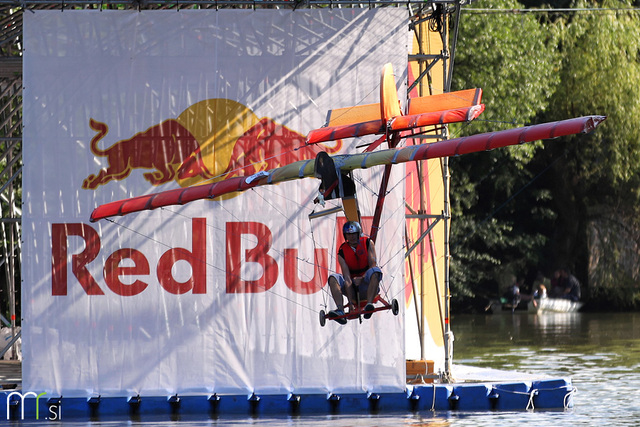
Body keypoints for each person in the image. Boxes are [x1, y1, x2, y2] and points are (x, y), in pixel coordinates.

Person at [327, 221, 382, 324]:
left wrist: (362, 278)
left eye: (353, 234)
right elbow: (347, 278)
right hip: (353, 285)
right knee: (333, 278)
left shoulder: (368, 243)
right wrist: (351, 302)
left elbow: (373, 264)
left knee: (375, 271)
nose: (351, 237)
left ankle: (368, 305)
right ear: (345, 235)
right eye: (349, 234)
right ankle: (340, 310)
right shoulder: (342, 251)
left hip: (367, 282)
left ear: (358, 233)